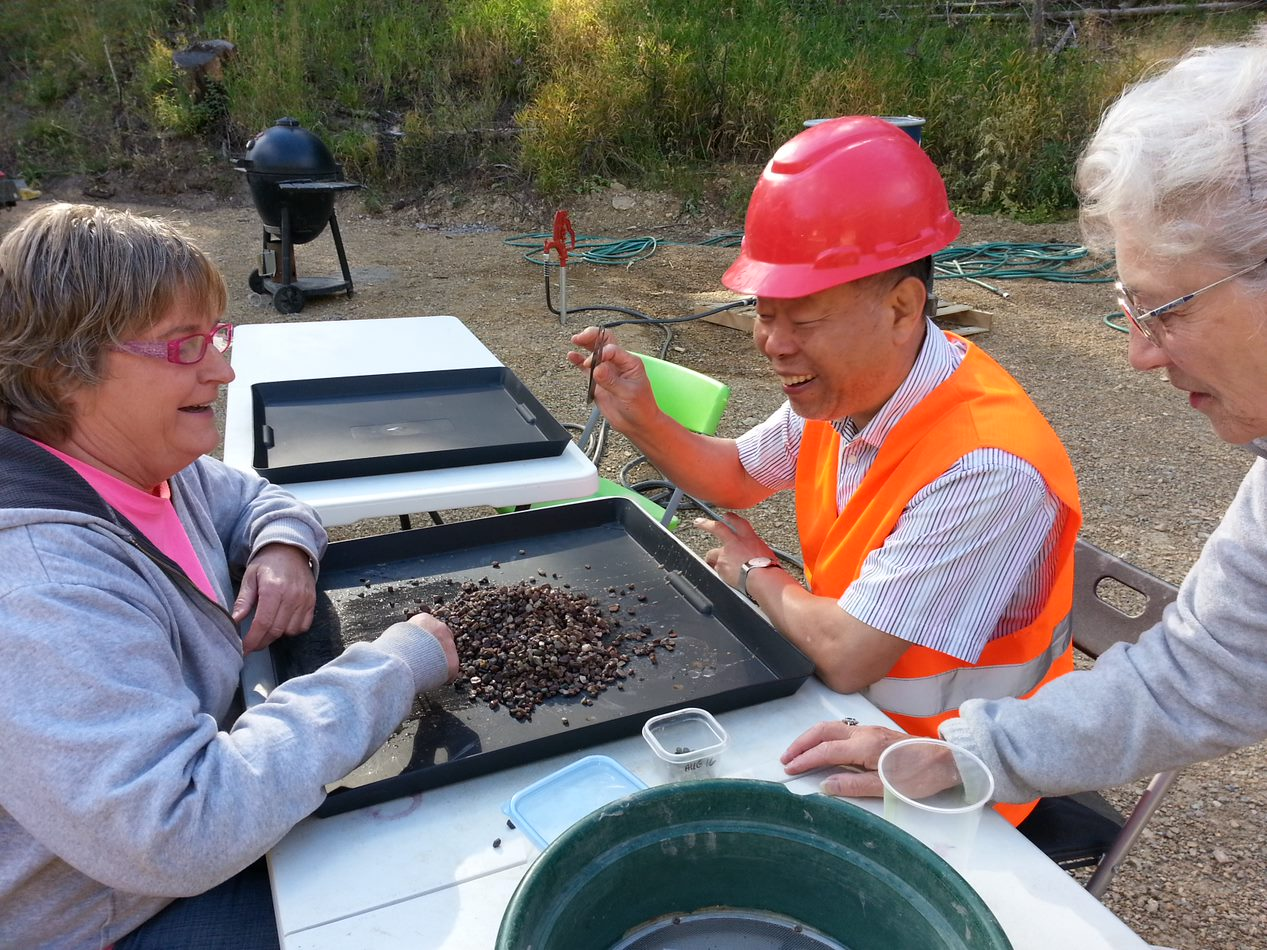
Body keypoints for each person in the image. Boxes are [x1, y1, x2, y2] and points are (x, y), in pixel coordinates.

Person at [781, 29, 1267, 820]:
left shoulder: (984, 456)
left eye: (1163, 310)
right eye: (1127, 311)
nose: (1139, 354)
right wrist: (970, 753)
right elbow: (1205, 669)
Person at [571, 117, 1082, 822]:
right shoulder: (847, 392)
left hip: (946, 782)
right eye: (763, 312)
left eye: (802, 320)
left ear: (903, 307)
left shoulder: (986, 466)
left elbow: (847, 654)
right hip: (842, 718)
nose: (772, 345)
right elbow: (734, 478)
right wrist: (642, 419)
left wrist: (758, 574)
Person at [0, 203, 460, 949]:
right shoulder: (38, 589)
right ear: (61, 369)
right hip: (111, 914)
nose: (222, 367)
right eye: (184, 346)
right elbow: (180, 826)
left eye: (216, 335)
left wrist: (282, 547)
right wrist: (393, 666)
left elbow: (251, 495)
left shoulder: (139, 466)